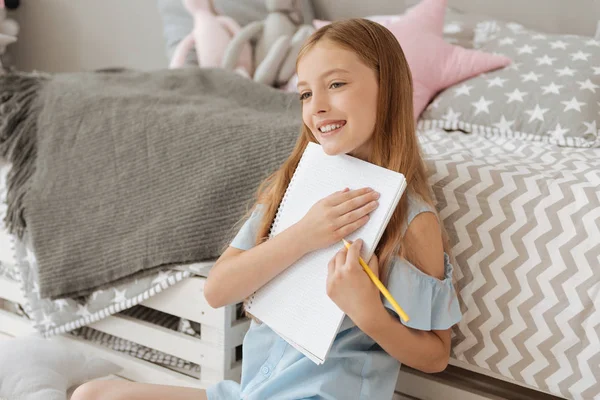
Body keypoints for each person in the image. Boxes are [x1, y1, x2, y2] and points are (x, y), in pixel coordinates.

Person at [71, 18, 461, 400]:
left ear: (387, 89)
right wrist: (303, 236)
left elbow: (435, 355)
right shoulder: (293, 189)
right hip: (252, 391)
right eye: (306, 94)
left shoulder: (411, 221)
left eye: (336, 84)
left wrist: (368, 314)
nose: (318, 106)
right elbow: (218, 289)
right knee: (92, 394)